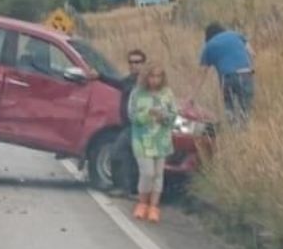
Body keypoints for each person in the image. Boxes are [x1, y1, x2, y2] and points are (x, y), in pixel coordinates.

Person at [129, 65, 179, 223]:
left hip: (161, 139)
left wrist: (163, 115)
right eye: (152, 76)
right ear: (146, 77)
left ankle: (154, 206)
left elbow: (173, 115)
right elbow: (132, 115)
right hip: (142, 140)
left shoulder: (167, 93)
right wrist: (147, 114)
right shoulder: (137, 93)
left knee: (158, 174)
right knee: (147, 172)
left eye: (158, 77)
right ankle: (142, 202)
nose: (155, 80)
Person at [186, 22, 255, 127]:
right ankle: (244, 131)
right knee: (245, 110)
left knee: (230, 110)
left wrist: (191, 98)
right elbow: (252, 53)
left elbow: (201, 75)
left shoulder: (208, 47)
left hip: (227, 78)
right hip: (245, 74)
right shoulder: (236, 35)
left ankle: (234, 131)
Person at [107, 49, 147, 197]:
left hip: (138, 127)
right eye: (131, 62)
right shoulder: (129, 80)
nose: (133, 65)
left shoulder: (146, 82)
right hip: (129, 125)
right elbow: (116, 82)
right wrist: (99, 76)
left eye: (137, 62)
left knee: (117, 152)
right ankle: (129, 189)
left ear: (143, 64)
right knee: (129, 158)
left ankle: (126, 189)